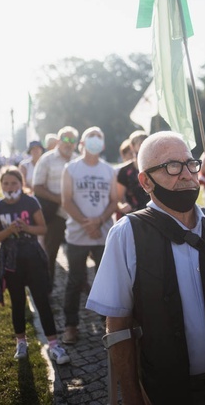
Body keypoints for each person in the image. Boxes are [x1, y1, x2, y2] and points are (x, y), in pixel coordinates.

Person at [86, 131, 205, 405]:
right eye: (172, 166)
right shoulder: (127, 234)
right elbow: (118, 326)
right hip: (160, 391)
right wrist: (133, 397)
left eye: (191, 164)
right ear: (145, 181)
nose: (186, 174)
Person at [0, 166, 70, 364]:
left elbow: (42, 228)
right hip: (11, 262)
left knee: (42, 301)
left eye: (14, 183)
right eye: (6, 183)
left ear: (21, 184)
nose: (10, 187)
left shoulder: (30, 201)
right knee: (18, 303)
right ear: (1, 185)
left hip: (33, 259)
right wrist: (8, 231)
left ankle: (54, 345)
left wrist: (26, 227)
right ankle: (21, 342)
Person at [61, 126, 118, 344]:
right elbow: (66, 200)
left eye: (99, 136)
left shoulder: (108, 170)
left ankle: (110, 323)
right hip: (77, 235)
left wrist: (100, 221)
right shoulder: (71, 168)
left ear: (102, 144)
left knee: (106, 280)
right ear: (82, 143)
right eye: (90, 136)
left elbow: (113, 200)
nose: (95, 139)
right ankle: (71, 326)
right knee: (75, 280)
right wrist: (87, 224)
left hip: (102, 235)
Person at [32, 125, 79, 289]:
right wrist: (59, 199)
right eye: (66, 139)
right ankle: (47, 286)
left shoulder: (78, 159)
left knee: (79, 252)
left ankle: (79, 286)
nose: (69, 143)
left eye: (72, 140)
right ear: (59, 141)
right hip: (55, 214)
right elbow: (37, 186)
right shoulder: (47, 159)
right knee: (51, 252)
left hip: (76, 214)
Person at [116, 130, 150, 220]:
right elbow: (118, 199)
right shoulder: (125, 171)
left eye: (146, 143)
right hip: (134, 218)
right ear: (132, 147)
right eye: (140, 144)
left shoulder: (154, 168)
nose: (144, 147)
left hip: (153, 216)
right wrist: (122, 206)